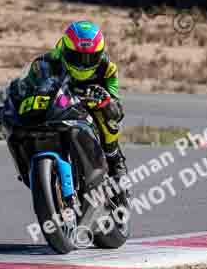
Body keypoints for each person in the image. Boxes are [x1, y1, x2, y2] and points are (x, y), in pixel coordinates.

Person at [7, 20, 128, 180]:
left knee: (109, 117)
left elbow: (116, 106)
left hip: (90, 101)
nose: (83, 63)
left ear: (99, 55)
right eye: (76, 56)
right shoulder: (47, 61)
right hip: (60, 101)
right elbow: (26, 86)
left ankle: (114, 159)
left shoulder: (108, 68)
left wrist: (105, 100)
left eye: (90, 58)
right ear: (65, 49)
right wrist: (10, 104)